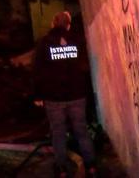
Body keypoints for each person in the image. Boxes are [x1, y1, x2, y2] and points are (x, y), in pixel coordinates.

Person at [33, 11, 97, 178]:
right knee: (81, 131)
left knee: (58, 133)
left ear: (53, 24)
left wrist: (38, 95)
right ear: (68, 25)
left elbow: (38, 71)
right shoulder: (77, 41)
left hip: (54, 98)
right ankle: (91, 166)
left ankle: (61, 169)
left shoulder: (44, 43)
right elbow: (85, 66)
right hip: (77, 95)